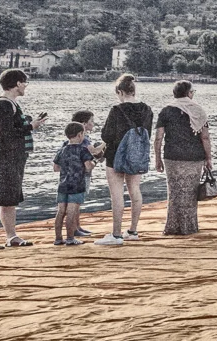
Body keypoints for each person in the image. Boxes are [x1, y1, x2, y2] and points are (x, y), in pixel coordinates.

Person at [0, 68, 47, 251]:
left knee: (10, 199)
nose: (26, 86)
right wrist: (31, 126)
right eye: (24, 82)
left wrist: (30, 125)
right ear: (17, 84)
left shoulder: (10, 104)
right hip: (1, 158)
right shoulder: (4, 105)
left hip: (10, 158)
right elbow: (6, 134)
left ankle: (11, 236)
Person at [96, 74, 153, 246]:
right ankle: (133, 231)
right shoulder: (147, 109)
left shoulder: (116, 110)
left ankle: (116, 234)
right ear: (133, 90)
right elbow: (146, 133)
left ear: (120, 92)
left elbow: (106, 135)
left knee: (117, 195)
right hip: (137, 154)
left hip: (115, 155)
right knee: (135, 190)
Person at [151, 80, 213, 237]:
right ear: (189, 93)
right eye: (193, 92)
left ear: (174, 93)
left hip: (172, 157)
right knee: (191, 193)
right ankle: (189, 227)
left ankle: (172, 226)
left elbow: (158, 138)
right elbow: (205, 138)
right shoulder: (198, 111)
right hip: (194, 157)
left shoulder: (166, 111)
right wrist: (208, 159)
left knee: (174, 192)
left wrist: (157, 158)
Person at [52, 122, 94, 246]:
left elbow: (56, 168)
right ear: (80, 135)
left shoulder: (62, 150)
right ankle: (70, 238)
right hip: (77, 185)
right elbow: (88, 167)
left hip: (63, 185)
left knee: (60, 212)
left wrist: (67, 167)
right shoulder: (82, 150)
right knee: (71, 212)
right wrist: (94, 163)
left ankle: (58, 238)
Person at [66, 108, 104, 238]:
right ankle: (75, 228)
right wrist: (106, 143)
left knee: (77, 201)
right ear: (83, 124)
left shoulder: (71, 139)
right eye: (91, 121)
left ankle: (77, 226)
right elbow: (93, 151)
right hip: (82, 174)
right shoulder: (84, 139)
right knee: (77, 202)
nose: (93, 124)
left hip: (71, 174)